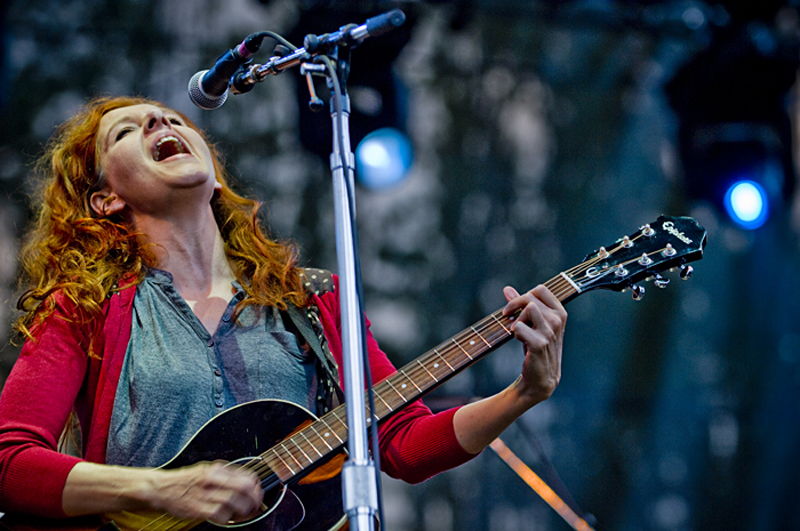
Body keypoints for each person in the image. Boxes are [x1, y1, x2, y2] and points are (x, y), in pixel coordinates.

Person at [0, 95, 567, 525]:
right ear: (107, 199)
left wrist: (523, 393)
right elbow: (11, 462)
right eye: (127, 130)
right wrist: (159, 489)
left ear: (215, 175)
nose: (160, 124)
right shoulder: (84, 308)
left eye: (174, 120)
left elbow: (402, 442)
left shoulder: (312, 298)